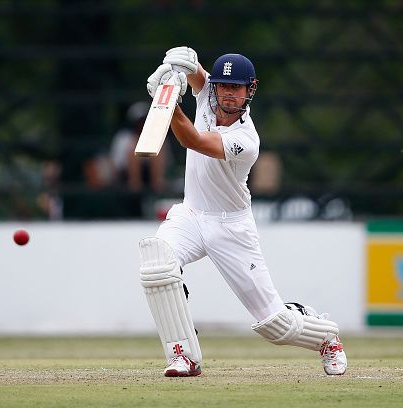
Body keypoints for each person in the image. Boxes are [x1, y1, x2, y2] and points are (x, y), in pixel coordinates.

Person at [137, 47, 347, 377]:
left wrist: (166, 104)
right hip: (191, 214)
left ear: (250, 90)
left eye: (237, 88)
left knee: (274, 326)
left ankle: (326, 335)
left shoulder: (246, 140)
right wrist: (175, 67)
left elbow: (191, 139)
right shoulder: (208, 93)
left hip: (231, 227)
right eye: (224, 86)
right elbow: (196, 71)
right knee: (156, 264)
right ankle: (184, 355)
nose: (228, 94)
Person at [109, 101, 168, 192]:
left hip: (150, 177)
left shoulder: (157, 137)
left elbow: (165, 162)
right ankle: (135, 188)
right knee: (133, 149)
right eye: (139, 122)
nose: (142, 125)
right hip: (126, 177)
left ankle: (157, 189)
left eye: (144, 121)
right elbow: (116, 165)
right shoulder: (123, 138)